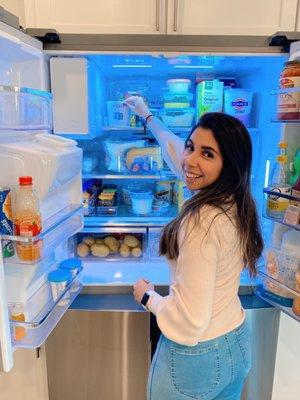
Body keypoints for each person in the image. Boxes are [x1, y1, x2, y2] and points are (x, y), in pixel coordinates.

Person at [123, 96, 263, 400]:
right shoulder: (237, 201)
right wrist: (147, 116)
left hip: (195, 360)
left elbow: (189, 324)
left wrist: (148, 298)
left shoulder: (202, 221)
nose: (190, 161)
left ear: (229, 164)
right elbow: (178, 154)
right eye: (191, 147)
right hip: (235, 342)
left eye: (207, 153)